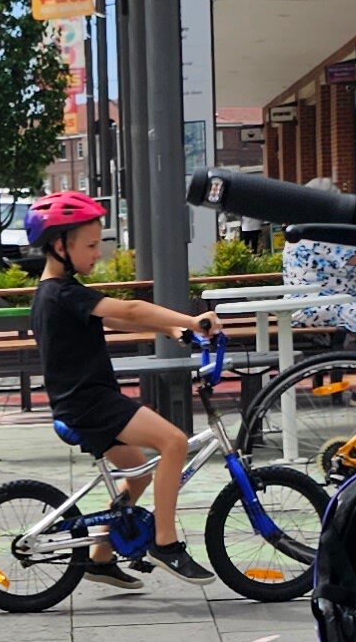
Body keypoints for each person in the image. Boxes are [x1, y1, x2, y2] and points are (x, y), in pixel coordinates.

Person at [27, 190, 221, 589]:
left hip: (85, 402)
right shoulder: (62, 293)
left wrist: (172, 329)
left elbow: (117, 321)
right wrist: (192, 318)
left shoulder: (59, 292)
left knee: (138, 475)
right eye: (91, 245)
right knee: (174, 442)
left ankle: (99, 557)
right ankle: (166, 543)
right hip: (91, 404)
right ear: (60, 245)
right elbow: (129, 310)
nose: (97, 253)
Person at [280, 179, 356, 362]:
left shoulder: (303, 230)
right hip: (315, 307)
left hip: (305, 306)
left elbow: (331, 267)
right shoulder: (321, 234)